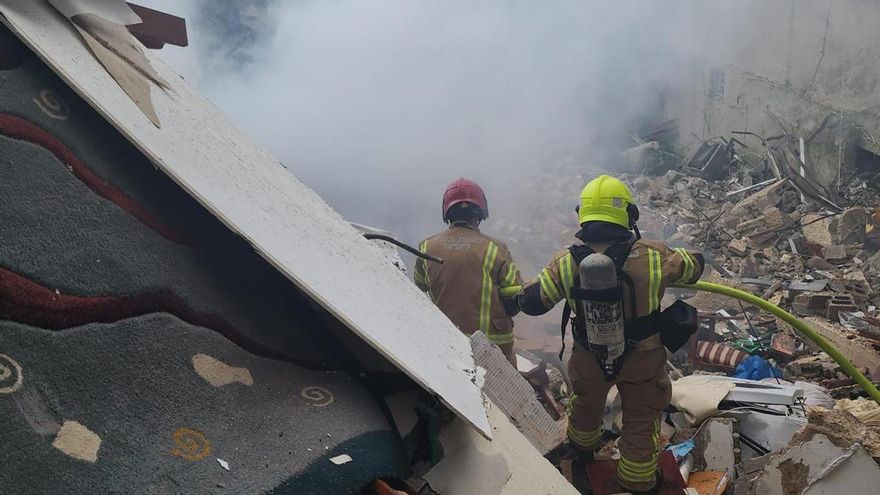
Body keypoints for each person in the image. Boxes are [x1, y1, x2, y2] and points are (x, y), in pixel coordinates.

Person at [516, 175, 704, 495]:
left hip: (590, 357)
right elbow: (694, 267)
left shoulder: (566, 262)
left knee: (586, 404)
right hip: (643, 359)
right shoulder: (654, 255)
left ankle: (582, 450)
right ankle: (638, 480)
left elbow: (532, 302)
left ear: (583, 216)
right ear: (628, 216)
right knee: (642, 417)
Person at [414, 178, 523, 364]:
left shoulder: (426, 247)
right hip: (493, 349)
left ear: (447, 211)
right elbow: (516, 295)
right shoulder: (496, 248)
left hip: (445, 343)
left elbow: (420, 286)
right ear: (480, 212)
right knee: (503, 392)